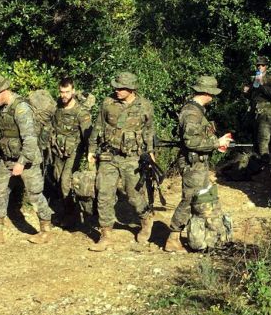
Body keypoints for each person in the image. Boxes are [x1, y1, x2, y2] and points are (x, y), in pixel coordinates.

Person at [87, 72, 155, 252]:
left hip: (133, 157)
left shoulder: (145, 106)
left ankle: (146, 219)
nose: (116, 90)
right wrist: (92, 150)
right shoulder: (108, 103)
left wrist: (151, 152)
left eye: (121, 88)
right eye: (115, 87)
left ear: (131, 89)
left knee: (134, 195)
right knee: (104, 193)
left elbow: (149, 131)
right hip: (109, 155)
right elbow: (98, 127)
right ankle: (106, 234)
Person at [0, 75, 54, 244]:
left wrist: (21, 163)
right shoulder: (3, 108)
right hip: (7, 158)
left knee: (35, 195)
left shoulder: (21, 108)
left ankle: (46, 230)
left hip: (26, 161)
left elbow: (30, 139)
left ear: (4, 91)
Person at [165, 76, 232, 252]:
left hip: (199, 163)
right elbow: (190, 142)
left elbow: (198, 138)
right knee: (190, 200)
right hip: (193, 164)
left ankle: (200, 236)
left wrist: (215, 142)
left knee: (201, 199)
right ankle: (173, 237)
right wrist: (216, 143)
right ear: (207, 93)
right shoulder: (192, 113)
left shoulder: (197, 111)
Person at [51, 77, 92, 227]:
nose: (64, 95)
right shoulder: (58, 107)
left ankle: (72, 215)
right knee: (57, 178)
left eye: (67, 92)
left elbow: (88, 135)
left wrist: (91, 153)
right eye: (62, 92)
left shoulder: (81, 112)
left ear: (73, 91)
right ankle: (67, 210)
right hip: (58, 150)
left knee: (65, 182)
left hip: (74, 151)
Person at [243, 55, 271, 165]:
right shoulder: (255, 79)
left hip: (266, 114)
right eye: (258, 65)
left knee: (263, 141)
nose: (260, 67)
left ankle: (266, 167)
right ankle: (256, 167)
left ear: (266, 67)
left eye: (262, 65)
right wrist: (246, 92)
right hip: (255, 113)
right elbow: (252, 97)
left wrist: (261, 86)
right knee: (255, 140)